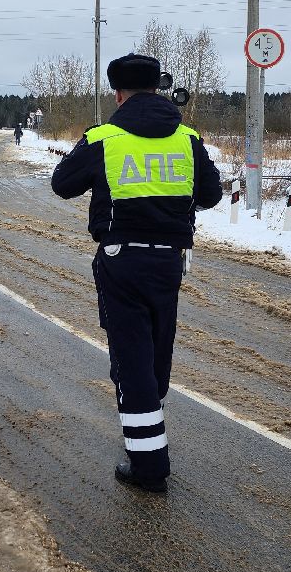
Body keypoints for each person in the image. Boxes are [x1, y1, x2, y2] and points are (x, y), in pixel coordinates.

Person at [50, 53, 222, 494]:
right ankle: (149, 416)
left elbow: (62, 183)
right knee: (155, 352)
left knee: (131, 359)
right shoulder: (187, 137)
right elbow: (211, 193)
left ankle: (148, 467)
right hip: (169, 260)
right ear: (157, 88)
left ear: (118, 93)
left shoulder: (105, 137)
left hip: (121, 258)